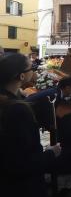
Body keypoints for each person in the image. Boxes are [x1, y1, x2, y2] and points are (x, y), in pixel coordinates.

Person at [0, 53, 61, 197]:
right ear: (21, 76)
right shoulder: (18, 110)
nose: (34, 70)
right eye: (32, 67)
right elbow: (21, 163)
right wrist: (51, 153)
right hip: (20, 186)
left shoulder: (13, 101)